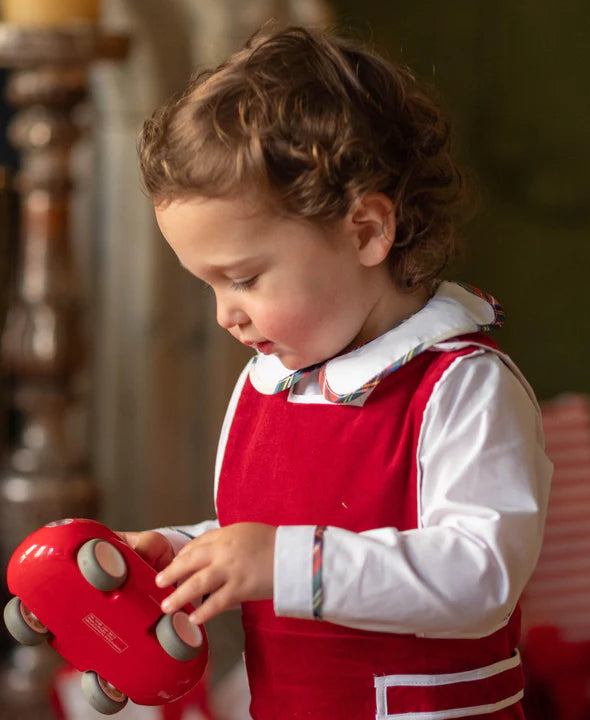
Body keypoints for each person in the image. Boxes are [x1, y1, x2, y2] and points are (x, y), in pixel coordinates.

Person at [120, 23, 552, 720]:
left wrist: (284, 564)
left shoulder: (463, 387)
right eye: (209, 286)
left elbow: (483, 576)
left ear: (365, 231)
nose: (227, 315)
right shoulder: (271, 383)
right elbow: (271, 535)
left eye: (246, 278)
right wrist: (184, 555)